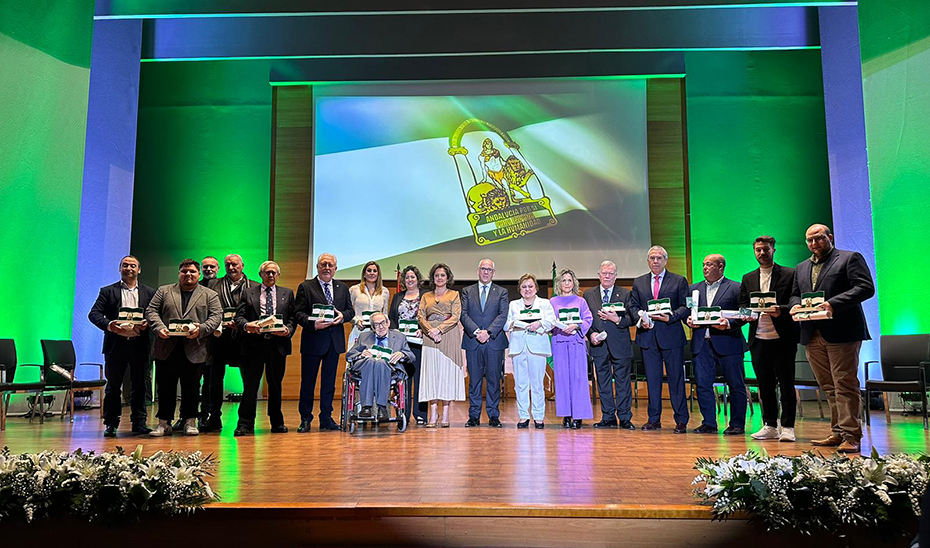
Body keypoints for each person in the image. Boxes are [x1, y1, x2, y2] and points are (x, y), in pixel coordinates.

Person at [790, 224, 875, 454]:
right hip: (812, 332)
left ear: (830, 237)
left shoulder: (849, 258)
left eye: (818, 238)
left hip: (842, 331)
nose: (814, 243)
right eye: (809, 240)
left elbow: (866, 288)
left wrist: (832, 303)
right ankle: (837, 431)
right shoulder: (801, 267)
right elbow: (795, 294)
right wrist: (795, 305)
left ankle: (851, 435)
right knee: (828, 386)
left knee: (844, 383)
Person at [144, 259, 223, 436]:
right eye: (184, 271)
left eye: (192, 272)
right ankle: (164, 423)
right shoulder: (164, 291)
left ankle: (190, 421)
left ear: (198, 275)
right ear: (179, 273)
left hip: (195, 348)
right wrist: (159, 328)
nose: (188, 274)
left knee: (192, 388)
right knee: (165, 387)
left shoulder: (210, 294)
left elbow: (217, 316)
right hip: (166, 347)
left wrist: (201, 329)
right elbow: (151, 311)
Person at [738, 236, 800, 442]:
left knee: (786, 383)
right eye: (758, 250)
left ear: (774, 249)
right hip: (758, 338)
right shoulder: (747, 278)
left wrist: (780, 310)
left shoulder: (790, 274)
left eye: (765, 249)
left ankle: (788, 426)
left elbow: (795, 300)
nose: (761, 253)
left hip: (782, 338)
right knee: (764, 385)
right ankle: (770, 424)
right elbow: (743, 304)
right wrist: (745, 314)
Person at [87, 255, 156, 437]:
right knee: (113, 387)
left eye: (133, 266)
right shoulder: (108, 291)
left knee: (140, 386)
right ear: (120, 269)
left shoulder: (150, 292)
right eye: (125, 265)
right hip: (115, 346)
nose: (129, 268)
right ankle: (111, 423)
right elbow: (93, 314)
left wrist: (147, 323)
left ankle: (139, 423)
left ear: (139, 270)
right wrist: (109, 325)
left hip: (139, 345)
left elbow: (155, 314)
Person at [629, 245, 690, 434]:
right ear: (648, 261)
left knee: (676, 380)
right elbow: (632, 305)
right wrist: (641, 319)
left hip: (671, 336)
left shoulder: (679, 281)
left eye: (659, 258)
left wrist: (670, 317)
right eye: (652, 258)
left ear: (665, 260)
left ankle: (681, 420)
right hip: (648, 337)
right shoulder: (639, 282)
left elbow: (686, 306)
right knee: (652, 381)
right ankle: (653, 419)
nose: (655, 261)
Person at [686, 254, 749, 435]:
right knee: (703, 385)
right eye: (704, 264)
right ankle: (709, 423)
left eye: (709, 264)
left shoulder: (736, 287)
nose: (705, 268)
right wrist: (688, 320)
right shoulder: (693, 289)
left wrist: (729, 323)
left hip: (729, 343)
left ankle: (737, 424)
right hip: (701, 344)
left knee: (736, 385)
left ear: (721, 267)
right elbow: (688, 312)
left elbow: (744, 313)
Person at [234, 261, 295, 436]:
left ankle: (277, 423)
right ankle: (245, 424)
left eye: (274, 273)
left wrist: (288, 330)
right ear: (260, 274)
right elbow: (239, 317)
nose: (270, 276)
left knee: (276, 386)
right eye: (267, 272)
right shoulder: (248, 293)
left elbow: (292, 318)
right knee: (250, 386)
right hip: (253, 346)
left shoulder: (287, 293)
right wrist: (247, 326)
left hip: (277, 346)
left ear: (278, 275)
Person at [294, 253, 354, 432]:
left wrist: (343, 316)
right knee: (308, 382)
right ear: (318, 267)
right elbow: (298, 313)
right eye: (323, 264)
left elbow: (350, 311)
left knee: (329, 383)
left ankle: (326, 418)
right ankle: (305, 419)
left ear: (336, 268)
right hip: (313, 341)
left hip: (334, 343)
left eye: (330, 265)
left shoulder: (342, 287)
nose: (327, 268)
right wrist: (313, 324)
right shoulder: (306, 286)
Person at [201, 253, 253, 432]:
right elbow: (207, 309)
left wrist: (242, 323)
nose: (231, 268)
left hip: (244, 339)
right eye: (228, 264)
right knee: (214, 381)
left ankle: (245, 421)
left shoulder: (254, 286)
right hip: (219, 338)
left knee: (248, 381)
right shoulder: (212, 285)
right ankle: (214, 418)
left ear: (242, 265)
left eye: (235, 264)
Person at [583, 260, 636, 430]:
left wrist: (618, 319)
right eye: (604, 273)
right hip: (599, 345)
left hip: (620, 345)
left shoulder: (626, 294)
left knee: (623, 383)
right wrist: (590, 334)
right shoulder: (588, 294)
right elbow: (586, 319)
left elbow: (633, 319)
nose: (607, 276)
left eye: (611, 273)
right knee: (603, 383)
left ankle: (625, 417)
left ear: (616, 276)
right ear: (598, 275)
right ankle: (608, 417)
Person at [459, 259, 509, 428]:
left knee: (494, 380)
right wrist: (476, 332)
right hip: (473, 341)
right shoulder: (467, 291)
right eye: (483, 269)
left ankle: (493, 416)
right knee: (474, 381)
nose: (486, 272)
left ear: (493, 273)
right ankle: (473, 417)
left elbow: (503, 315)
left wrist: (487, 332)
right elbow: (463, 314)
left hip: (493, 341)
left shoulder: (501, 292)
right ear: (477, 271)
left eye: (489, 269)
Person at [505, 273, 556, 429]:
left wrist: (539, 324)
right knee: (520, 384)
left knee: (537, 384)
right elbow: (506, 324)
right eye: (524, 286)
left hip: (537, 348)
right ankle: (523, 416)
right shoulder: (514, 304)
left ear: (536, 288)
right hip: (519, 347)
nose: (527, 289)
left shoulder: (545, 303)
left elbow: (551, 322)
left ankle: (539, 417)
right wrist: (516, 323)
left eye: (530, 286)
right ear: (520, 289)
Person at [417, 263, 464, 428]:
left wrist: (439, 330)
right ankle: (433, 413)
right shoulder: (425, 296)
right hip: (430, 337)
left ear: (448, 277)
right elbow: (421, 316)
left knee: (446, 374)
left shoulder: (455, 294)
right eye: (436, 275)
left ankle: (445, 414)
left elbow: (456, 316)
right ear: (433, 278)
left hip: (448, 335)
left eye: (442, 275)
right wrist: (430, 330)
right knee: (431, 374)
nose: (439, 278)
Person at [345, 311, 414, 421]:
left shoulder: (399, 337)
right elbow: (349, 354)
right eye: (376, 324)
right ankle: (366, 407)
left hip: (389, 370)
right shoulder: (364, 336)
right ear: (372, 327)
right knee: (371, 361)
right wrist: (360, 354)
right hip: (366, 368)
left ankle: (382, 407)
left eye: (383, 323)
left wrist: (402, 353)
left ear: (388, 323)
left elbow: (411, 356)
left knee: (381, 362)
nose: (380, 327)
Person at [551, 269, 594, 429]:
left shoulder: (581, 301)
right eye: (564, 280)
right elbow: (549, 320)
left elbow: (588, 318)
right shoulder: (553, 302)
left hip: (576, 343)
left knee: (578, 379)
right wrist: (560, 326)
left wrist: (576, 325)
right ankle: (566, 415)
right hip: (560, 342)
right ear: (559, 284)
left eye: (569, 280)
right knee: (562, 380)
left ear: (574, 283)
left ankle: (579, 416)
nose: (567, 283)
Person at [388, 265, 427, 425]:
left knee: (420, 378)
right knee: (403, 379)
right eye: (407, 277)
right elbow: (391, 318)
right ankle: (402, 413)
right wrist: (395, 332)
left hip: (419, 342)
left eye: (412, 277)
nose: (410, 280)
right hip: (401, 344)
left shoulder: (426, 295)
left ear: (418, 279)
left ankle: (420, 414)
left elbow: (430, 316)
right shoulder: (397, 297)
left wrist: (423, 329)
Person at [347, 261, 390, 350]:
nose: (372, 273)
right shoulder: (354, 289)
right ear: (364, 274)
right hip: (359, 331)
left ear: (378, 274)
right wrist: (356, 321)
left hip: (378, 332)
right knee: (356, 360)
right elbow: (348, 312)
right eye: (369, 270)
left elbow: (385, 314)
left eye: (375, 271)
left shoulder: (385, 291)